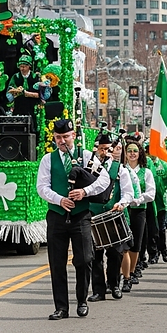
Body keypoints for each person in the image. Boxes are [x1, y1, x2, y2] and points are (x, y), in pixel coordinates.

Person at [36, 118, 110, 320]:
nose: (62, 141)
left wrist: (84, 192)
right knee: (57, 263)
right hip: (57, 216)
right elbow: (42, 187)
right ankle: (61, 307)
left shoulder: (86, 156)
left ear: (73, 136)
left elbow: (104, 180)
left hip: (81, 216)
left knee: (84, 259)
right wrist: (59, 200)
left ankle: (82, 301)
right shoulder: (47, 160)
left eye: (66, 137)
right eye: (58, 137)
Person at [88, 133, 133, 302]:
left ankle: (114, 285)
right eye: (101, 149)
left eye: (107, 149)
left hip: (112, 216)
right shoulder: (88, 166)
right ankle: (98, 290)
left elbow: (129, 192)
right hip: (93, 216)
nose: (104, 152)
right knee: (95, 256)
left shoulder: (119, 168)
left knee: (115, 254)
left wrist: (121, 203)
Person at [121, 139, 155, 292]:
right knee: (123, 244)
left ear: (140, 153)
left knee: (136, 243)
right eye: (129, 151)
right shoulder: (122, 170)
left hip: (139, 210)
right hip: (124, 210)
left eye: (135, 151)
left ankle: (132, 271)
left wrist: (140, 198)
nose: (132, 154)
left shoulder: (146, 172)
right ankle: (124, 274)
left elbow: (151, 193)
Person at [6, 55, 42, 133]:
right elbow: (9, 91)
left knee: (33, 128)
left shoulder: (35, 77)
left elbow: (40, 94)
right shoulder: (15, 77)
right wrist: (13, 93)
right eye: (20, 66)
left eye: (24, 66)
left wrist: (26, 93)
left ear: (29, 66)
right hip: (19, 106)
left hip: (32, 106)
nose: (22, 68)